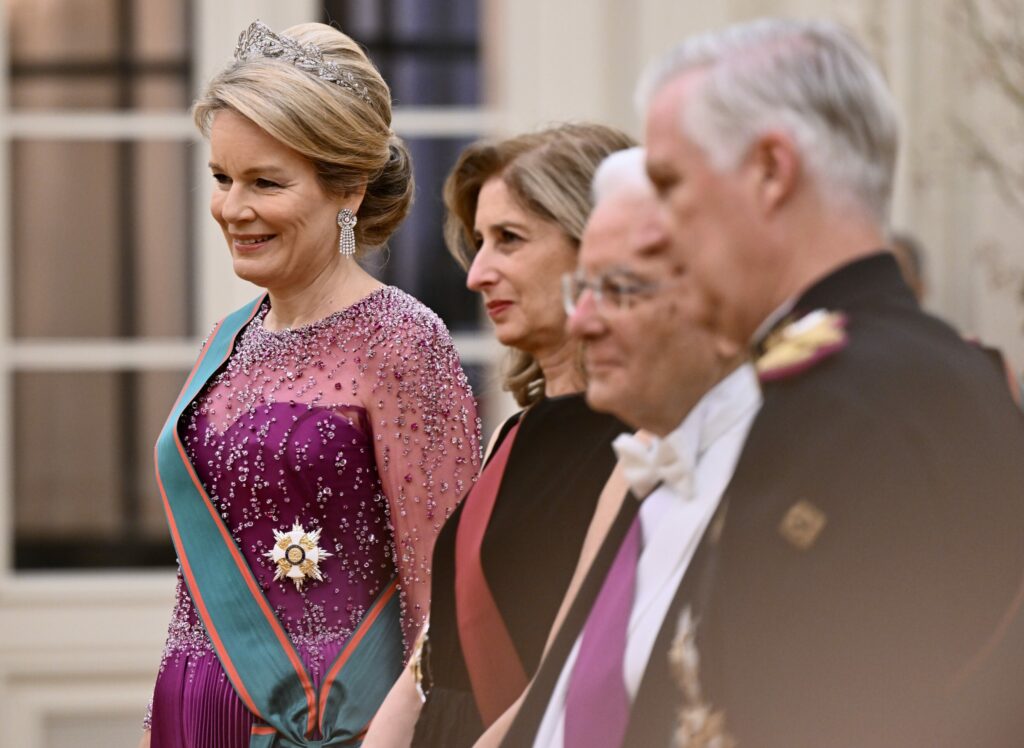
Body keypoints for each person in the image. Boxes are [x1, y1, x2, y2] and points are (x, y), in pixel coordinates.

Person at [628, 17, 1024, 746]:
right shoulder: (945, 371)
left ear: (771, 171)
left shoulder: (837, 403)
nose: (653, 234)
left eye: (670, 185)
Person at [141, 20, 480, 748]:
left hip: (336, 729)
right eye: (222, 178)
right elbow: (197, 597)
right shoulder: (228, 338)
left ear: (348, 190)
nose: (233, 208)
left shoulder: (402, 341)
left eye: (265, 182)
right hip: (193, 719)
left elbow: (446, 607)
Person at [363, 124, 636, 748]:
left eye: (509, 239)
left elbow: (574, 673)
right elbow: (435, 653)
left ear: (599, 247)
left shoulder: (641, 439)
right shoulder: (517, 431)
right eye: (479, 242)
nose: (477, 274)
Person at [500, 148, 761, 748]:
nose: (583, 322)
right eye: (583, 290)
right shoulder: (648, 467)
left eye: (619, 290)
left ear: (724, 308)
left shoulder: (772, 480)